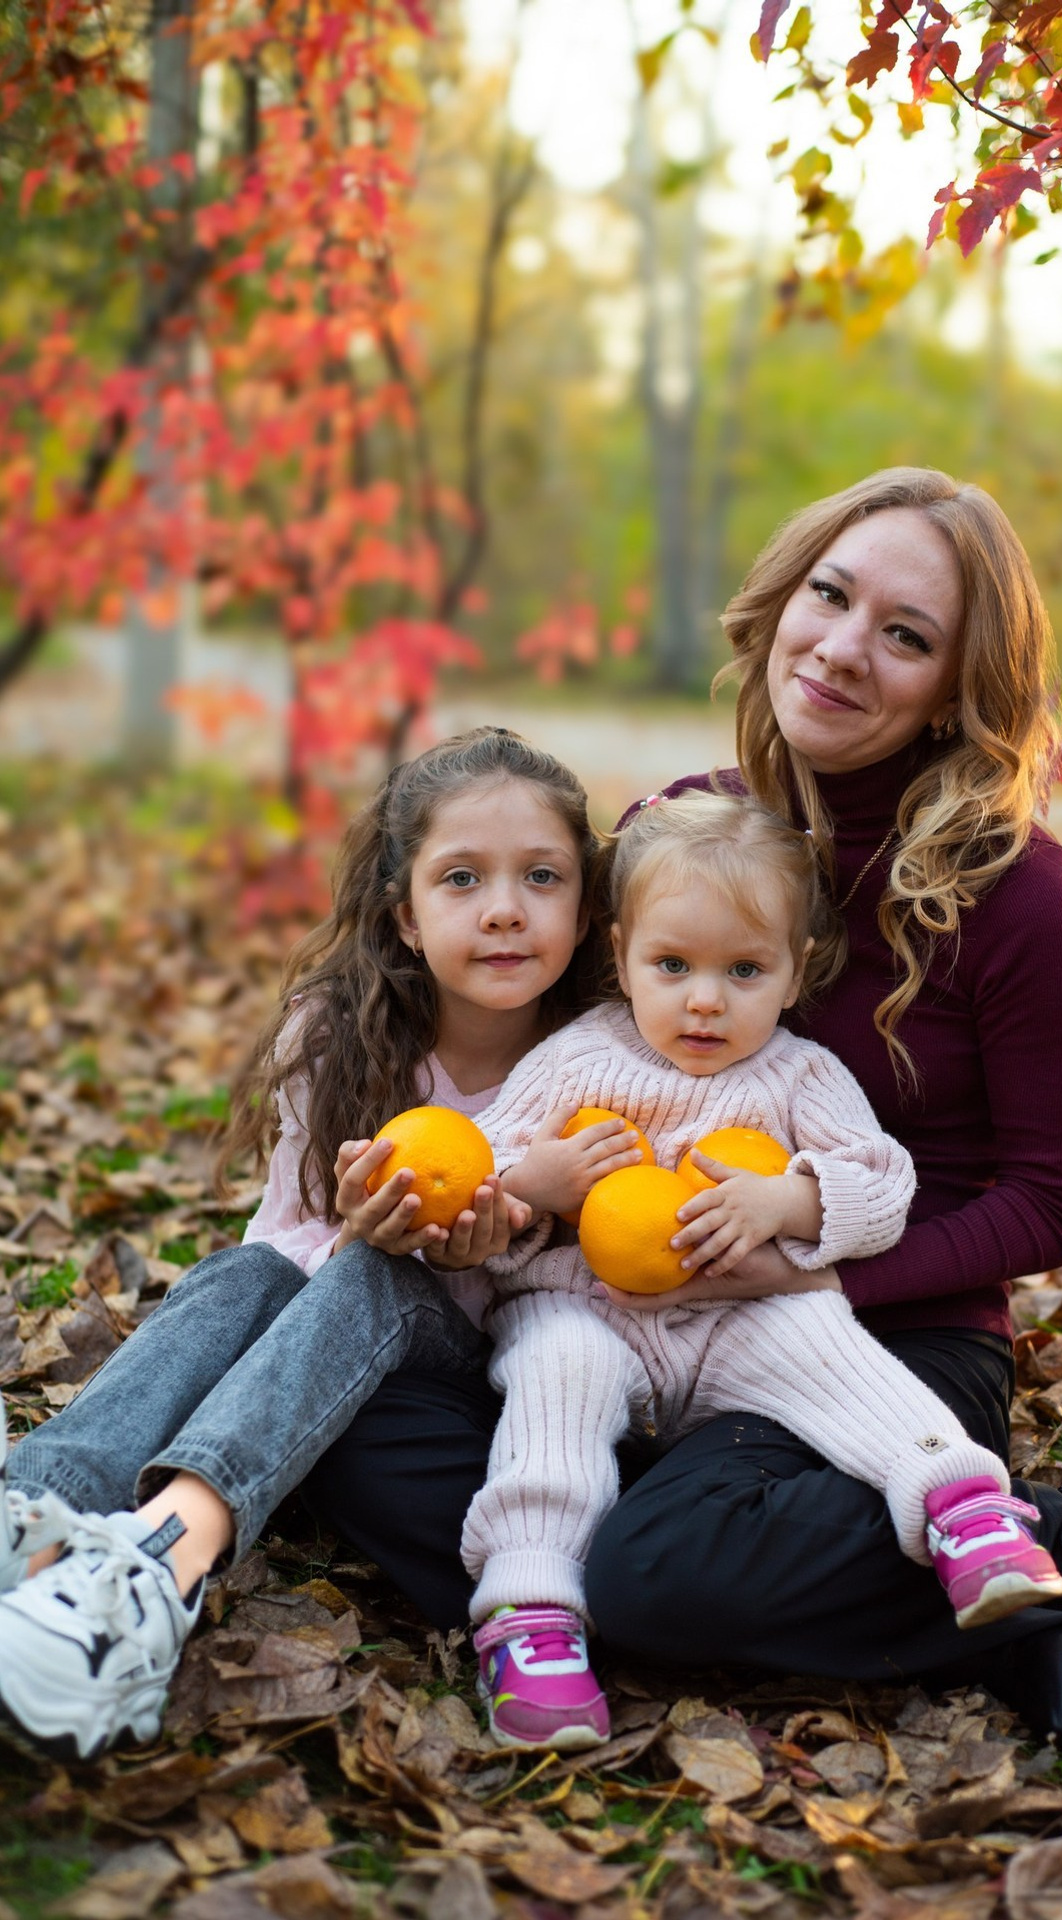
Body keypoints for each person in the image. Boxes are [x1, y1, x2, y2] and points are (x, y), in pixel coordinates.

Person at [303, 468, 1062, 1750]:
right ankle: (739, 1559)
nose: (841, 646)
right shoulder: (679, 832)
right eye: (829, 594)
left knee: (658, 1578)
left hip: (872, 1336)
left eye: (906, 635)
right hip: (626, 1318)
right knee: (365, 1430)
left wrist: (800, 1267)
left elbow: (1046, 1206)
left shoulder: (1011, 891)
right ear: (781, 599)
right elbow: (581, 1081)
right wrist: (486, 1200)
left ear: (955, 689)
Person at [0, 727, 630, 1761]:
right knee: (251, 1268)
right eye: (461, 878)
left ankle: (160, 1567)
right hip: (346, 1327)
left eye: (542, 877)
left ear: (587, 908)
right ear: (405, 916)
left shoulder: (606, 1062)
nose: (504, 908)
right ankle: (34, 1514)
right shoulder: (337, 1035)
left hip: (490, 1377)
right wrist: (357, 1232)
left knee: (374, 1269)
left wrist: (501, 1227)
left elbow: (602, 1299)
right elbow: (281, 1241)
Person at [463, 788, 1062, 1751]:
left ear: (796, 974)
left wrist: (791, 1202)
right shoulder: (574, 1059)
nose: (705, 1000)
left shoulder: (799, 1073)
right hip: (588, 1307)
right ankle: (530, 1611)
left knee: (823, 1341)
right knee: (555, 1385)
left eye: (744, 970)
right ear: (620, 954)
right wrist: (532, 1184)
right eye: (672, 966)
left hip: (740, 1315)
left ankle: (962, 1503)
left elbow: (884, 1183)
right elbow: (483, 1169)